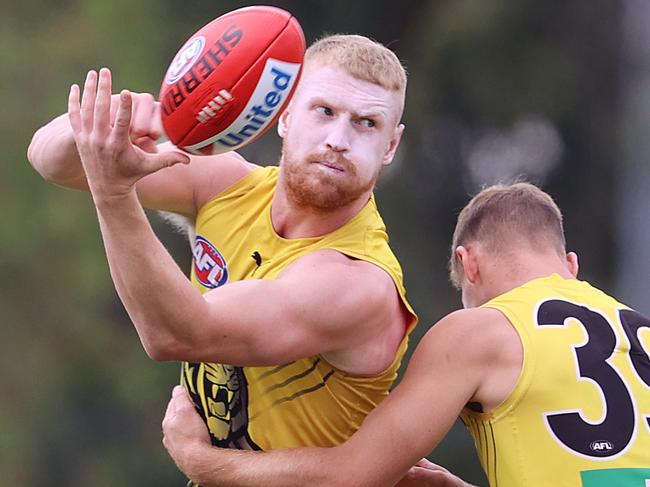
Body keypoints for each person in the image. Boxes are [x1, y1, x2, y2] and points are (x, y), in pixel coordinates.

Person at [27, 34, 425, 479]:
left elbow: (175, 334)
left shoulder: (358, 282)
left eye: (367, 123)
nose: (338, 139)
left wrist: (114, 192)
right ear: (287, 113)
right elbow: (51, 161)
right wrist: (137, 121)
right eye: (325, 111)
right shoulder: (227, 184)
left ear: (391, 145)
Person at [162, 182, 650, 487]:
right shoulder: (640, 331)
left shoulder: (481, 331)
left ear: (469, 266)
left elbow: (350, 477)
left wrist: (202, 463)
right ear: (570, 265)